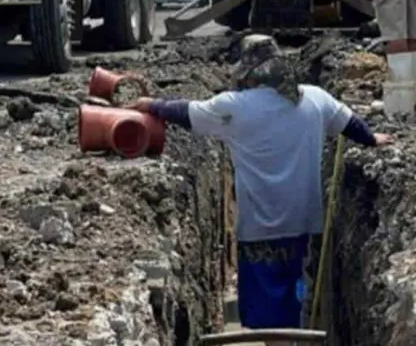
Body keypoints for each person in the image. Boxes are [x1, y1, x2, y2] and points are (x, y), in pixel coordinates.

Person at [126, 35, 392, 343]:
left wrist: (153, 106)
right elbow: (350, 124)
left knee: (269, 308)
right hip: (304, 229)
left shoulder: (235, 108)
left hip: (259, 234)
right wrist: (372, 139)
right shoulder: (317, 99)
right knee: (299, 294)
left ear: (250, 72)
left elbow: (187, 112)